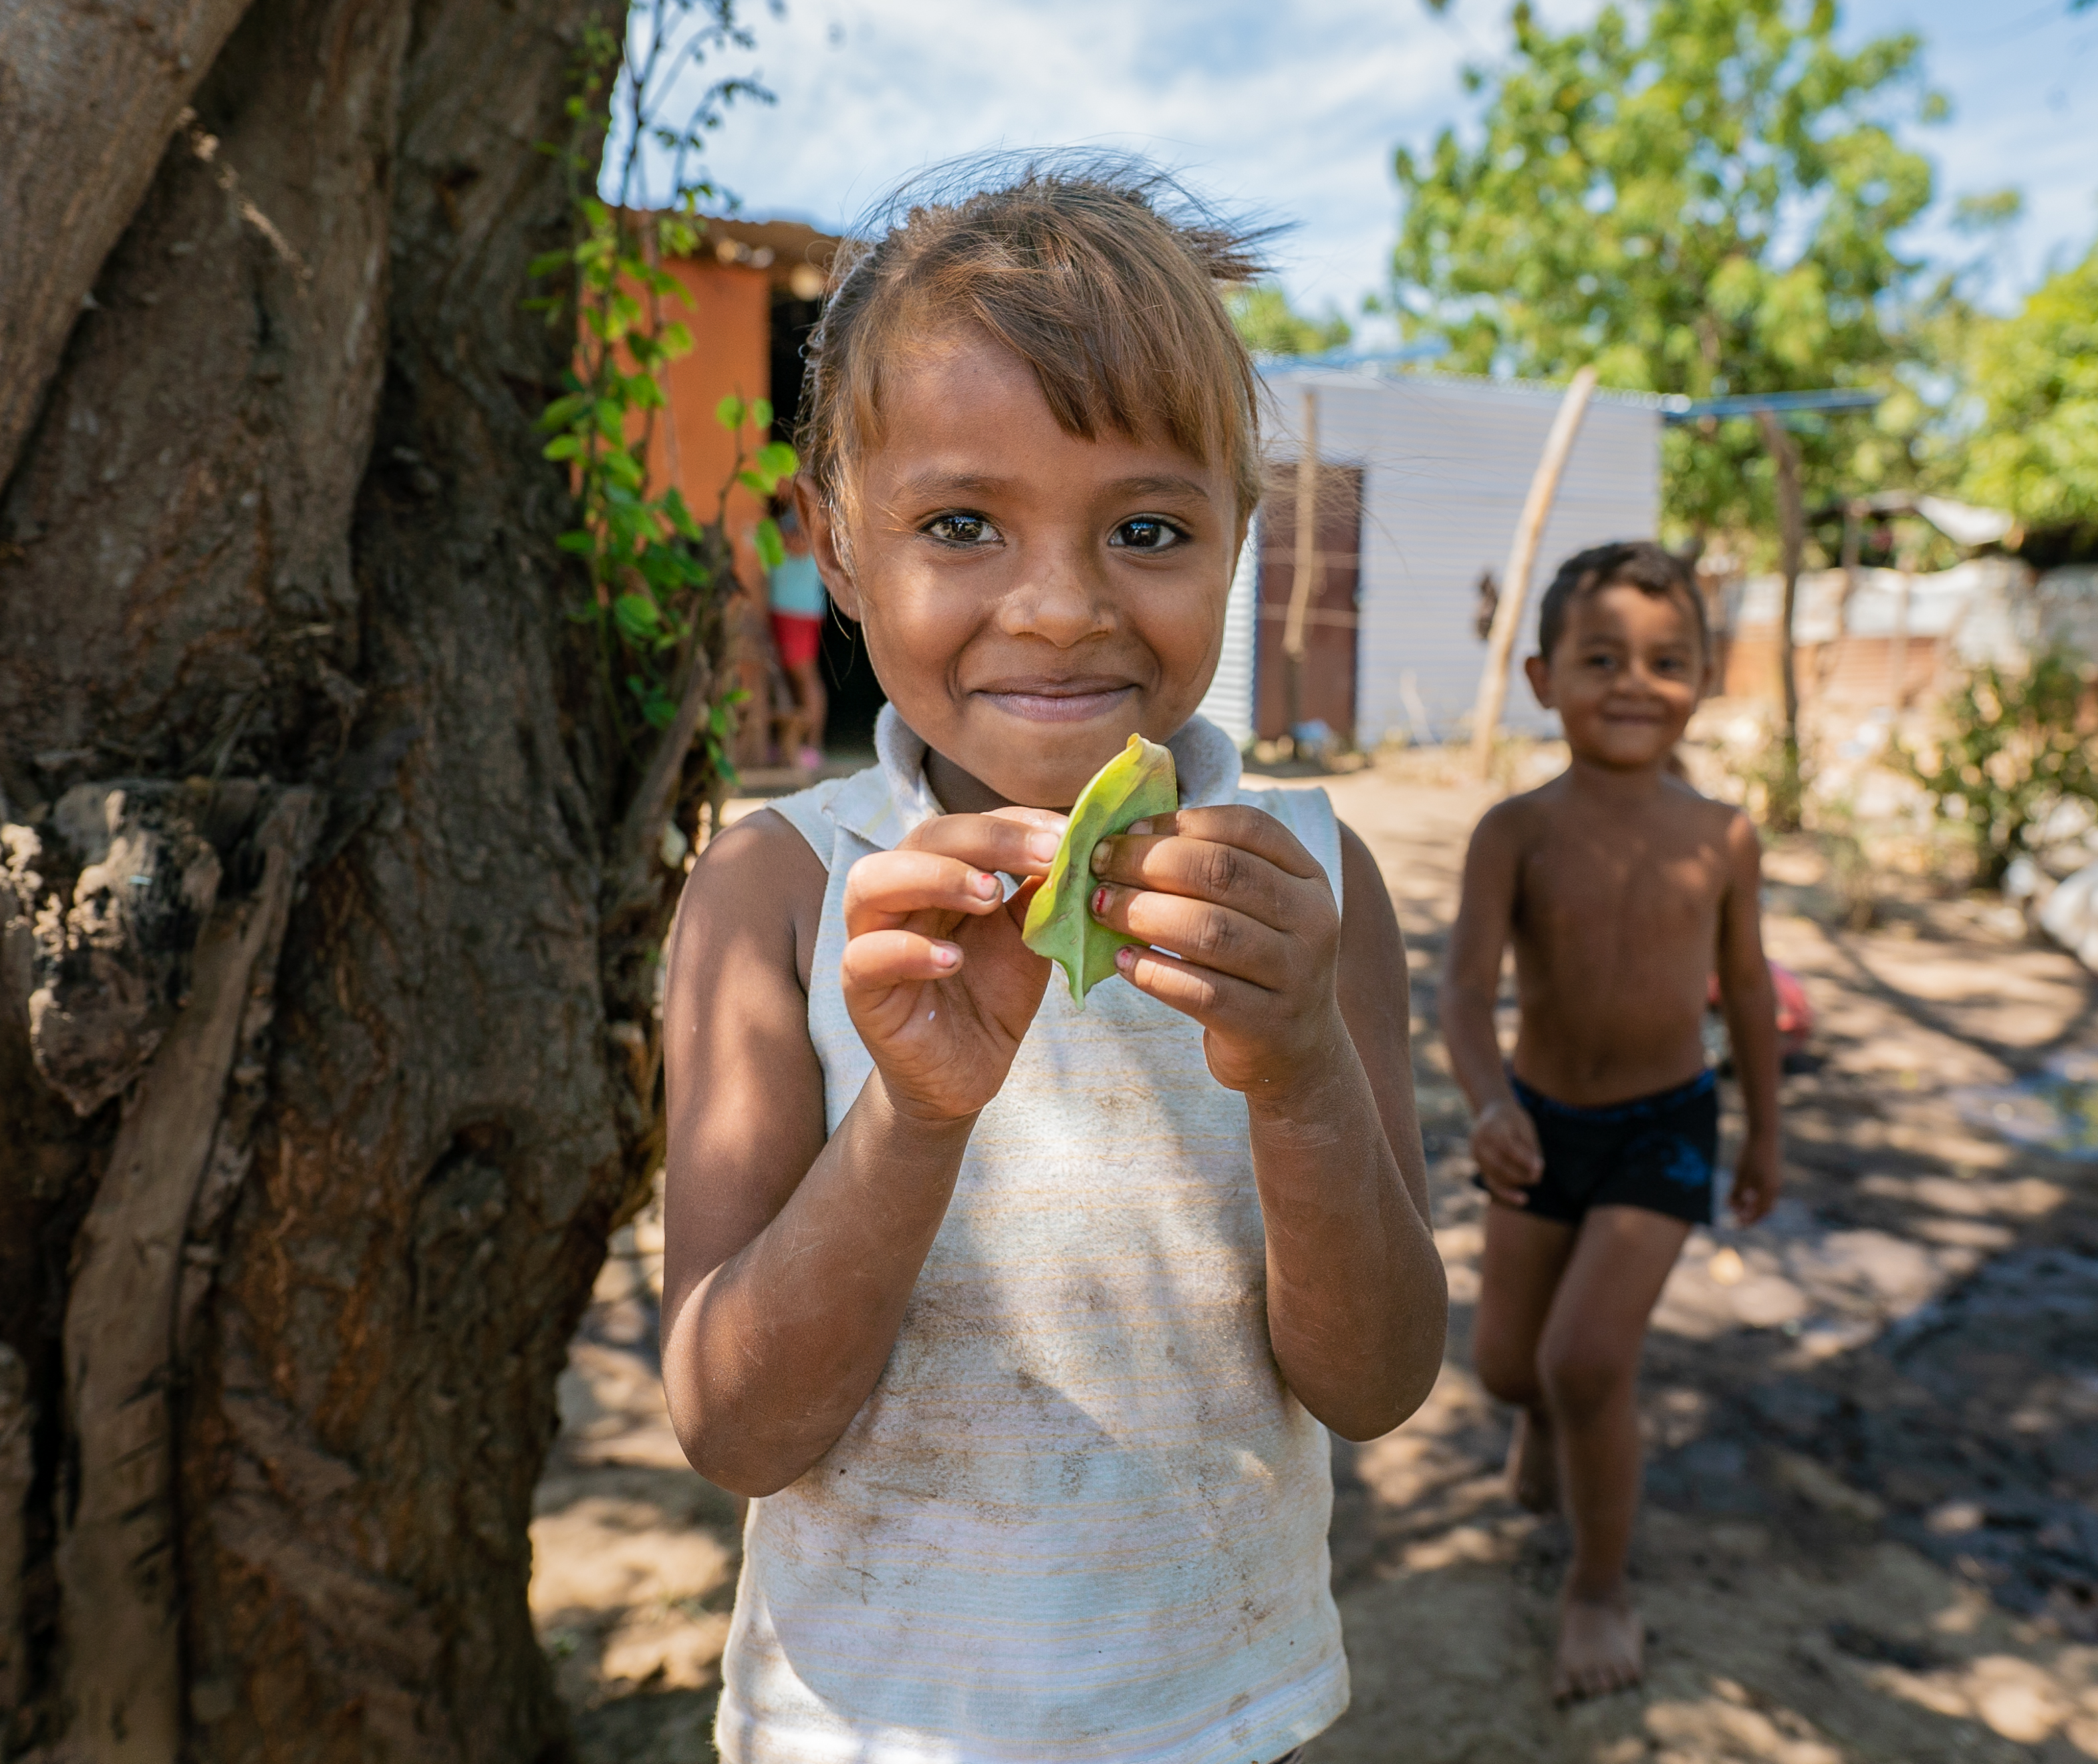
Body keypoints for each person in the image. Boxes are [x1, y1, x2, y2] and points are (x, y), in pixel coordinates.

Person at [660, 159, 1447, 1764]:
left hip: (1225, 1719)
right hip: (861, 1733)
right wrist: (916, 1115)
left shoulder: (1304, 889)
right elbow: (737, 1429)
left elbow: (1373, 1382)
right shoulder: (781, 893)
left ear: (1238, 540)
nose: (1060, 605)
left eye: (1145, 526)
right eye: (959, 523)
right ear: (839, 546)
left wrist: (1297, 1069)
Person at [1438, 540, 1783, 1704]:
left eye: (1666, 659)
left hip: (1665, 1128)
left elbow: (1745, 991)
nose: (1634, 682)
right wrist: (1487, 1102)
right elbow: (1461, 993)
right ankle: (1541, 1416)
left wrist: (1765, 1134)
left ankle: (1597, 1586)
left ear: (1703, 676)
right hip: (1538, 1126)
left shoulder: (1723, 834)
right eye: (1600, 658)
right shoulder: (1515, 832)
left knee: (1586, 1362)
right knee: (1504, 1367)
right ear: (1541, 679)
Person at [765, 488, 830, 771]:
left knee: (805, 677)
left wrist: (766, 534)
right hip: (786, 609)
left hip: (798, 610)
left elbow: (801, 546)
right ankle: (790, 747)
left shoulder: (811, 511)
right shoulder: (791, 513)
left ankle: (812, 748)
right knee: (788, 679)